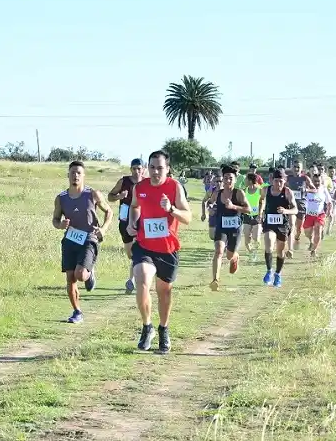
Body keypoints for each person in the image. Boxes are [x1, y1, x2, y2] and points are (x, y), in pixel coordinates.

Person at [127, 150, 192, 353]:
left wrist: (171, 209)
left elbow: (188, 217)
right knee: (142, 277)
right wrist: (132, 222)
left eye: (160, 168)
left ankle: (163, 329)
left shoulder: (174, 187)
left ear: (168, 169)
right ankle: (147, 327)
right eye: (152, 167)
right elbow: (135, 206)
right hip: (145, 245)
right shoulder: (141, 187)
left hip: (167, 248)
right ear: (148, 168)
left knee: (164, 292)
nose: (156, 172)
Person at [53, 161, 113, 323]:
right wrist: (60, 225)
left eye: (79, 173)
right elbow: (55, 220)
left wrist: (104, 229)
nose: (75, 176)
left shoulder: (93, 194)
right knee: (70, 277)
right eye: (72, 172)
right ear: (68, 175)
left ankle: (89, 271)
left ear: (83, 175)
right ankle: (77, 311)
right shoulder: (61, 198)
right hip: (70, 239)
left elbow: (109, 211)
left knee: (80, 275)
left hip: (89, 238)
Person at [203, 165, 251, 291]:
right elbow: (210, 202)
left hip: (235, 228)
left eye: (230, 178)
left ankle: (235, 257)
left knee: (229, 255)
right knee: (218, 251)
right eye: (225, 178)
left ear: (235, 180)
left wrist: (234, 207)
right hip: (221, 226)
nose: (228, 181)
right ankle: (215, 280)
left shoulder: (239, 193)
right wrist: (211, 209)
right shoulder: (217, 193)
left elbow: (248, 209)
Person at [107, 158, 146, 294]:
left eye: (139, 168)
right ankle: (135, 277)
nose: (137, 171)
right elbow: (110, 196)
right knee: (130, 254)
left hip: (141, 220)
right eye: (134, 168)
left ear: (143, 170)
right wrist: (120, 196)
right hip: (124, 221)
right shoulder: (123, 181)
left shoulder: (146, 183)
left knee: (137, 252)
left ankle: (132, 280)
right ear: (130, 169)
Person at [261, 168, 299, 287]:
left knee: (280, 251)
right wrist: (260, 213)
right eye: (276, 181)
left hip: (282, 224)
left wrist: (285, 211)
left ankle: (278, 274)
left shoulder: (288, 192)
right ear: (272, 180)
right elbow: (261, 200)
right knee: (269, 243)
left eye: (281, 181)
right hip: (269, 223)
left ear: (285, 181)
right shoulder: (265, 190)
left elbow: (296, 209)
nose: (278, 184)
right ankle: (269, 271)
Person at [285, 160, 317, 254]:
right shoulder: (288, 178)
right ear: (292, 168)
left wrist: (306, 190)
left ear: (301, 168)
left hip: (301, 206)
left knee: (299, 228)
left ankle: (298, 238)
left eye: (298, 167)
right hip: (291, 206)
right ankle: (290, 249)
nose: (296, 169)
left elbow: (314, 189)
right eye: (294, 167)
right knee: (291, 225)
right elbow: (283, 188)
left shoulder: (305, 178)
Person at [241, 173, 265, 260]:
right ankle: (251, 252)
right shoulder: (244, 190)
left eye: (246, 179)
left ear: (250, 181)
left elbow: (262, 202)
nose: (244, 181)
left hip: (256, 216)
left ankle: (255, 253)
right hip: (247, 216)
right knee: (247, 240)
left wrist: (260, 214)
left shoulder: (259, 190)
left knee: (256, 238)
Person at [302, 174, 326, 258]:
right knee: (307, 233)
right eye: (315, 181)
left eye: (318, 181)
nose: (317, 183)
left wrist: (330, 209)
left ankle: (314, 250)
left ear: (321, 181)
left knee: (318, 230)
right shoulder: (307, 190)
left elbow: (330, 201)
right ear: (312, 181)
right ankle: (311, 241)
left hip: (320, 214)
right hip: (309, 215)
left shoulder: (323, 190)